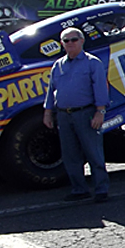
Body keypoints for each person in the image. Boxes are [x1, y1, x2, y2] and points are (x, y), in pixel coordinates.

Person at [42, 27, 110, 203]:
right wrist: (48, 112)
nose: (70, 43)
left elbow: (101, 89)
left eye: (74, 39)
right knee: (70, 155)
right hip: (64, 115)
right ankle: (79, 189)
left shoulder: (92, 63)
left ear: (81, 41)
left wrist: (100, 112)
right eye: (66, 40)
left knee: (93, 153)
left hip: (85, 113)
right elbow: (52, 91)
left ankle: (101, 189)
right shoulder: (58, 65)